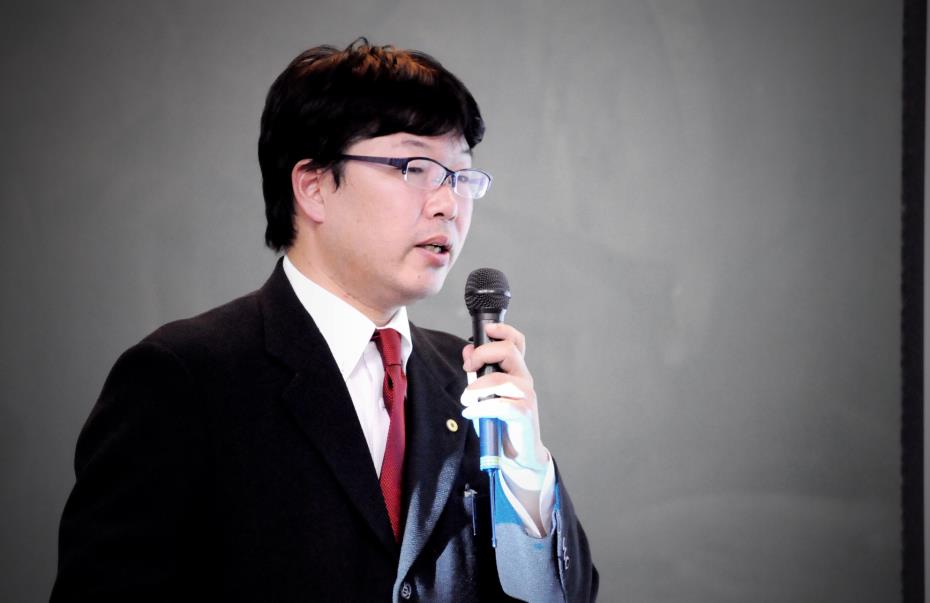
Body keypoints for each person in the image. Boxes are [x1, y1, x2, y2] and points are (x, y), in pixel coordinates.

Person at [51, 40, 598, 602]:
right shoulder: (184, 378)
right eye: (416, 168)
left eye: (461, 177)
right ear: (313, 187)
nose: (448, 204)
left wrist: (527, 476)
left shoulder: (471, 385)